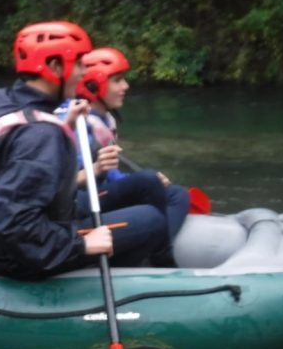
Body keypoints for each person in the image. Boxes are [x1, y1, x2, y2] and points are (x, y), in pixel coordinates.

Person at [0, 21, 171, 280]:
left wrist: (61, 127)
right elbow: (14, 222)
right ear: (54, 67)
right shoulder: (40, 134)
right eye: (78, 64)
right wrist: (82, 245)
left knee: (144, 186)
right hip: (13, 258)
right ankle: (111, 283)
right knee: (150, 220)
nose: (83, 72)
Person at [63, 47, 189, 255]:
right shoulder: (75, 122)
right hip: (80, 204)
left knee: (177, 194)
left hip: (100, 192)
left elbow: (113, 175)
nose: (125, 86)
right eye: (117, 80)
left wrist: (137, 181)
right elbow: (62, 183)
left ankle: (158, 250)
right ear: (93, 84)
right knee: (147, 180)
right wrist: (98, 169)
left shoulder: (104, 119)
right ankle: (161, 253)